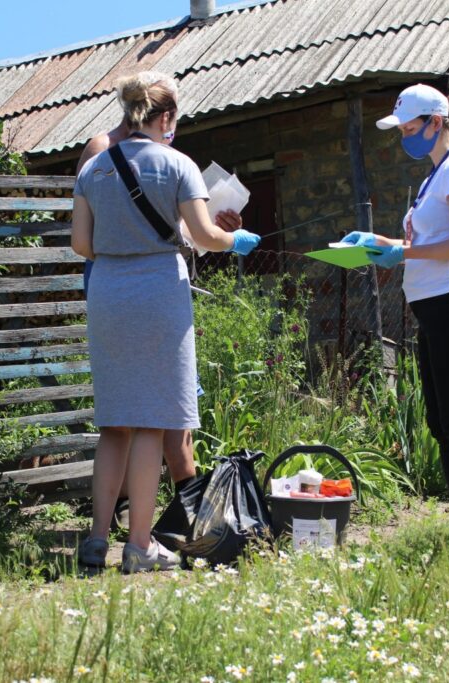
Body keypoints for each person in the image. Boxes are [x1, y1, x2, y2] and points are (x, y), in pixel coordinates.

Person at [71, 73, 261, 571]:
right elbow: (203, 234)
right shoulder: (178, 164)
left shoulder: (94, 168)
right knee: (154, 422)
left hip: (108, 292)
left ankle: (96, 541)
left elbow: (81, 245)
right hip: (158, 291)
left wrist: (119, 247)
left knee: (115, 423)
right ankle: (138, 546)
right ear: (166, 117)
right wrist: (233, 241)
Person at [339, 83, 449, 517]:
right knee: (441, 423)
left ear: (437, 122)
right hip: (434, 309)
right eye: (402, 129)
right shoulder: (434, 175)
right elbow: (431, 239)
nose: (405, 136)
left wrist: (401, 252)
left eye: (411, 128)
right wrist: (378, 242)